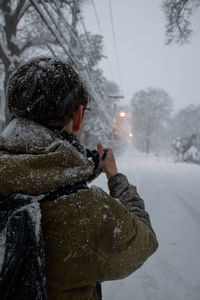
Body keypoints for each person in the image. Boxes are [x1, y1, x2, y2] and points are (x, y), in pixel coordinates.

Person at [0, 58, 158, 300]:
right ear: (78, 115)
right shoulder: (87, 211)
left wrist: (76, 173)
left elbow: (31, 171)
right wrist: (114, 177)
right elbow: (143, 240)